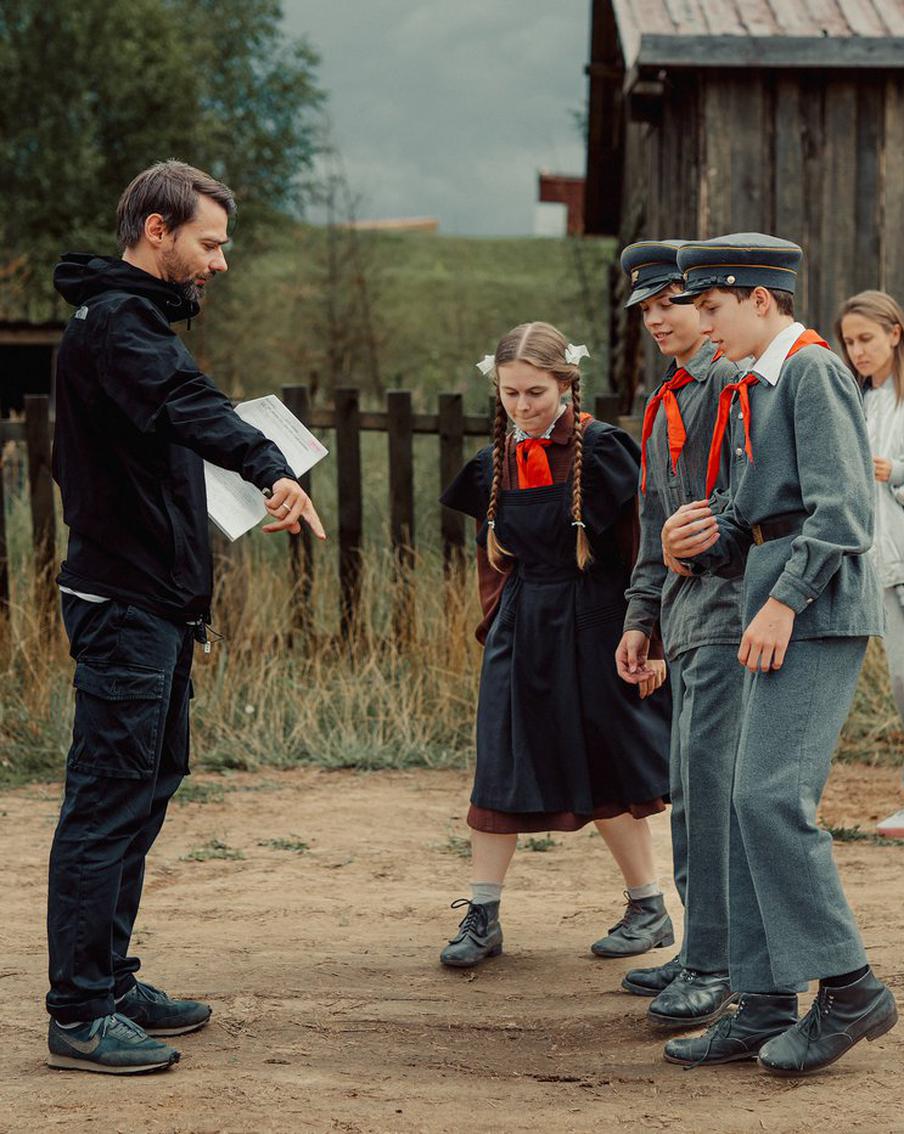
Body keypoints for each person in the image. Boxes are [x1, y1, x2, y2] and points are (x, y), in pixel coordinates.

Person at [47, 160, 326, 1075]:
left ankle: (111, 981)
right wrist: (269, 467)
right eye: (209, 244)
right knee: (108, 800)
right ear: (156, 231)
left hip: (152, 602)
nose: (221, 263)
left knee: (145, 787)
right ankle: (81, 1013)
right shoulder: (121, 326)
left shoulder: (129, 321)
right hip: (124, 604)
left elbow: (168, 424)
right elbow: (184, 402)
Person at [660, 233, 897, 1075]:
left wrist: (783, 605)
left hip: (817, 611)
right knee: (738, 798)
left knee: (767, 798)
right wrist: (696, 538)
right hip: (772, 597)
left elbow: (841, 515)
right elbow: (756, 511)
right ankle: (762, 1002)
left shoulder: (812, 371)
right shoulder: (752, 383)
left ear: (762, 301)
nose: (703, 324)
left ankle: (850, 987)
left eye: (713, 308)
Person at [437, 321, 672, 970]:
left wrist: (649, 641)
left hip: (600, 625)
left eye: (535, 392)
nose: (521, 406)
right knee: (502, 760)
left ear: (567, 383)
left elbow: (640, 553)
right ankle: (482, 915)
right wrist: (498, 626)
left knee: (608, 760)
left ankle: (648, 906)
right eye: (509, 394)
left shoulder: (603, 451)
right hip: (521, 628)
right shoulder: (494, 461)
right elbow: (491, 563)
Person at [615, 241, 743, 1031]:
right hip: (685, 619)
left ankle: (719, 963)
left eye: (671, 302)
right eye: (648, 308)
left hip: (731, 613)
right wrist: (640, 616)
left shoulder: (732, 384)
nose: (658, 319)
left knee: (713, 792)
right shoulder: (670, 397)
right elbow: (656, 524)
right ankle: (701, 945)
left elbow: (728, 510)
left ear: (709, 303)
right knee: (688, 791)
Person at [836, 290, 904, 839]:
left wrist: (896, 473)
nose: (857, 351)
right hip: (881, 564)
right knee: (903, 683)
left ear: (895, 334)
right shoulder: (856, 400)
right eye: (850, 342)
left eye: (867, 339)